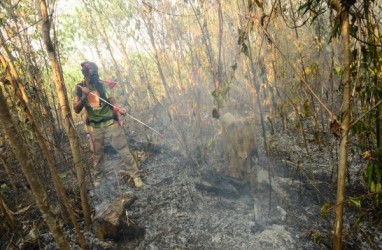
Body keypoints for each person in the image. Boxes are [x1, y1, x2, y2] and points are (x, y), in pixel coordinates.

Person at [73, 61, 143, 188]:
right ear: (85, 75)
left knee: (123, 149)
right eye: (92, 76)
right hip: (94, 127)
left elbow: (113, 103)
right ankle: (98, 177)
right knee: (97, 154)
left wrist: (119, 109)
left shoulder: (102, 86)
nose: (95, 78)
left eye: (96, 75)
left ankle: (136, 176)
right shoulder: (79, 88)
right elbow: (76, 109)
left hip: (110, 123)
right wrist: (84, 96)